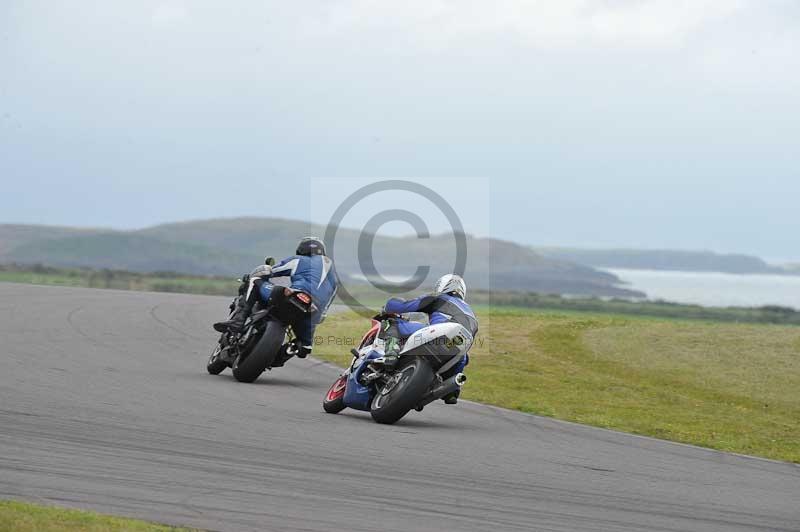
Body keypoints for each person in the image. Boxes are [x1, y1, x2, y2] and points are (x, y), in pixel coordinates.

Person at [213, 237, 338, 360]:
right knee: (305, 347)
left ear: (301, 249)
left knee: (255, 280)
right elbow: (325, 309)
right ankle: (283, 354)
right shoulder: (335, 279)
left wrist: (253, 274)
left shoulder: (299, 260)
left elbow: (270, 271)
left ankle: (238, 320)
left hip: (294, 295)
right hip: (313, 310)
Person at [378, 274, 477, 404]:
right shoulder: (472, 314)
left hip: (439, 334)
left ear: (442, 286)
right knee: (464, 357)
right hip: (456, 353)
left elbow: (404, 306)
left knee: (392, 323)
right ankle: (452, 390)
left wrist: (389, 305)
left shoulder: (440, 298)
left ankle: (391, 353)